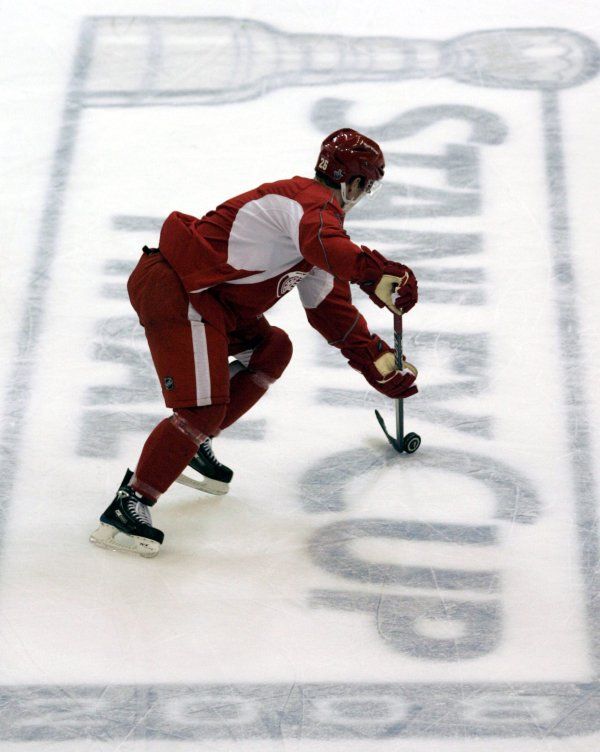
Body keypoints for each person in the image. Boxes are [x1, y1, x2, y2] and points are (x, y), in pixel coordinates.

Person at [90, 128, 419, 558]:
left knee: (273, 348)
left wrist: (374, 359)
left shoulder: (316, 224)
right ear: (354, 182)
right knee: (201, 408)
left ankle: (190, 446)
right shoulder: (309, 208)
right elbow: (325, 242)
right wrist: (371, 269)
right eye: (367, 185)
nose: (363, 193)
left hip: (211, 301)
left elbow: (329, 309)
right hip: (177, 290)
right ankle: (129, 504)